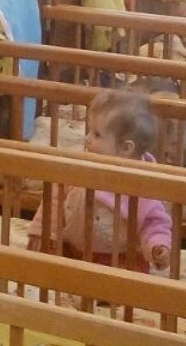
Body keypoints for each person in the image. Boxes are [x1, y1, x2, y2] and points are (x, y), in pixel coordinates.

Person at [30, 89, 175, 272]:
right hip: (74, 249)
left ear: (125, 148)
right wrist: (43, 230)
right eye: (89, 131)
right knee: (47, 267)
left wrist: (157, 246)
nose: (87, 139)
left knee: (129, 279)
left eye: (97, 134)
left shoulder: (141, 183)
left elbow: (154, 221)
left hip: (118, 258)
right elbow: (54, 197)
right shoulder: (81, 166)